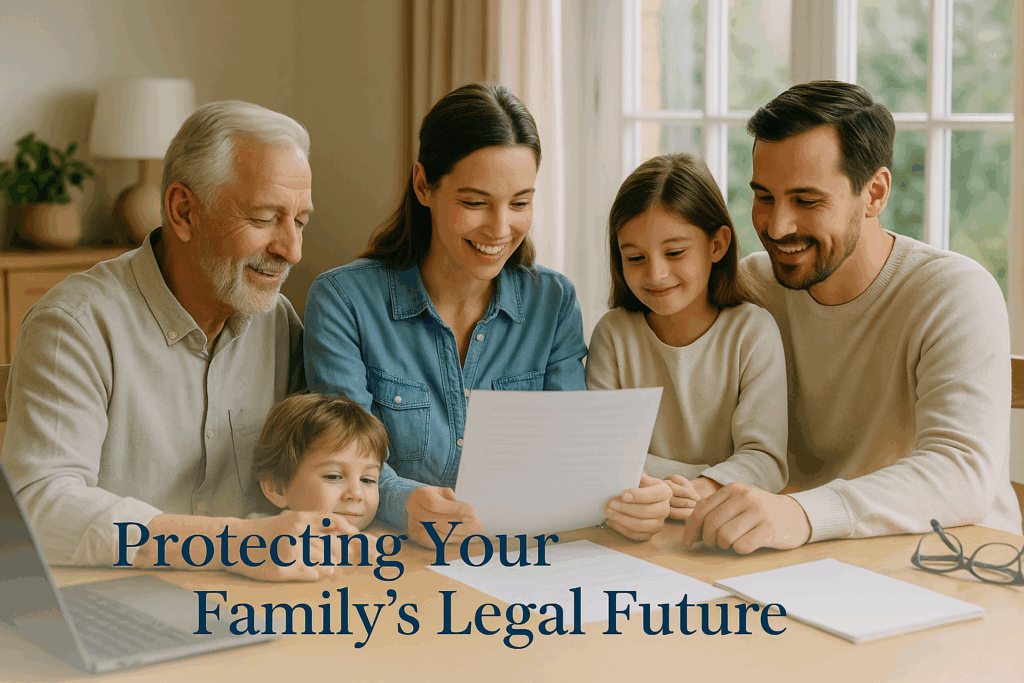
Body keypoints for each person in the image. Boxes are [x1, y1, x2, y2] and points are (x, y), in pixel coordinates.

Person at [2, 100, 359, 581]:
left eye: (299, 221)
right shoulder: (75, 325)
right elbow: (38, 507)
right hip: (113, 602)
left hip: (255, 603)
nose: (290, 250)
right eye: (263, 218)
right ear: (183, 210)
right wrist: (233, 544)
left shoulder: (277, 320)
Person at [305, 82, 671, 546]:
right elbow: (338, 466)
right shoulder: (343, 301)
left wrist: (629, 498)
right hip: (389, 559)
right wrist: (403, 502)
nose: (500, 229)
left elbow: (571, 459)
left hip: (521, 560)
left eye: (520, 203)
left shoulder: (553, 302)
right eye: (475, 202)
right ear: (423, 185)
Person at [682, 80, 1020, 554]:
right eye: (764, 196)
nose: (777, 227)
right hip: (802, 561)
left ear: (875, 193)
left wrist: (802, 512)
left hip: (956, 566)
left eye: (806, 201)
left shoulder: (953, 293)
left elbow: (961, 471)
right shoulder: (751, 286)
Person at [586, 154, 788, 523]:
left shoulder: (752, 331)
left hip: (718, 522)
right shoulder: (613, 335)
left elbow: (766, 459)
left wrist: (700, 489)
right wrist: (680, 484)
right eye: (635, 258)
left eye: (675, 252)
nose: (656, 273)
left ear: (717, 245)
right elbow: (602, 455)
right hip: (633, 524)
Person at [253, 393, 387, 531]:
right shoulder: (256, 539)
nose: (356, 494)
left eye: (367, 480)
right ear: (277, 488)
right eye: (333, 476)